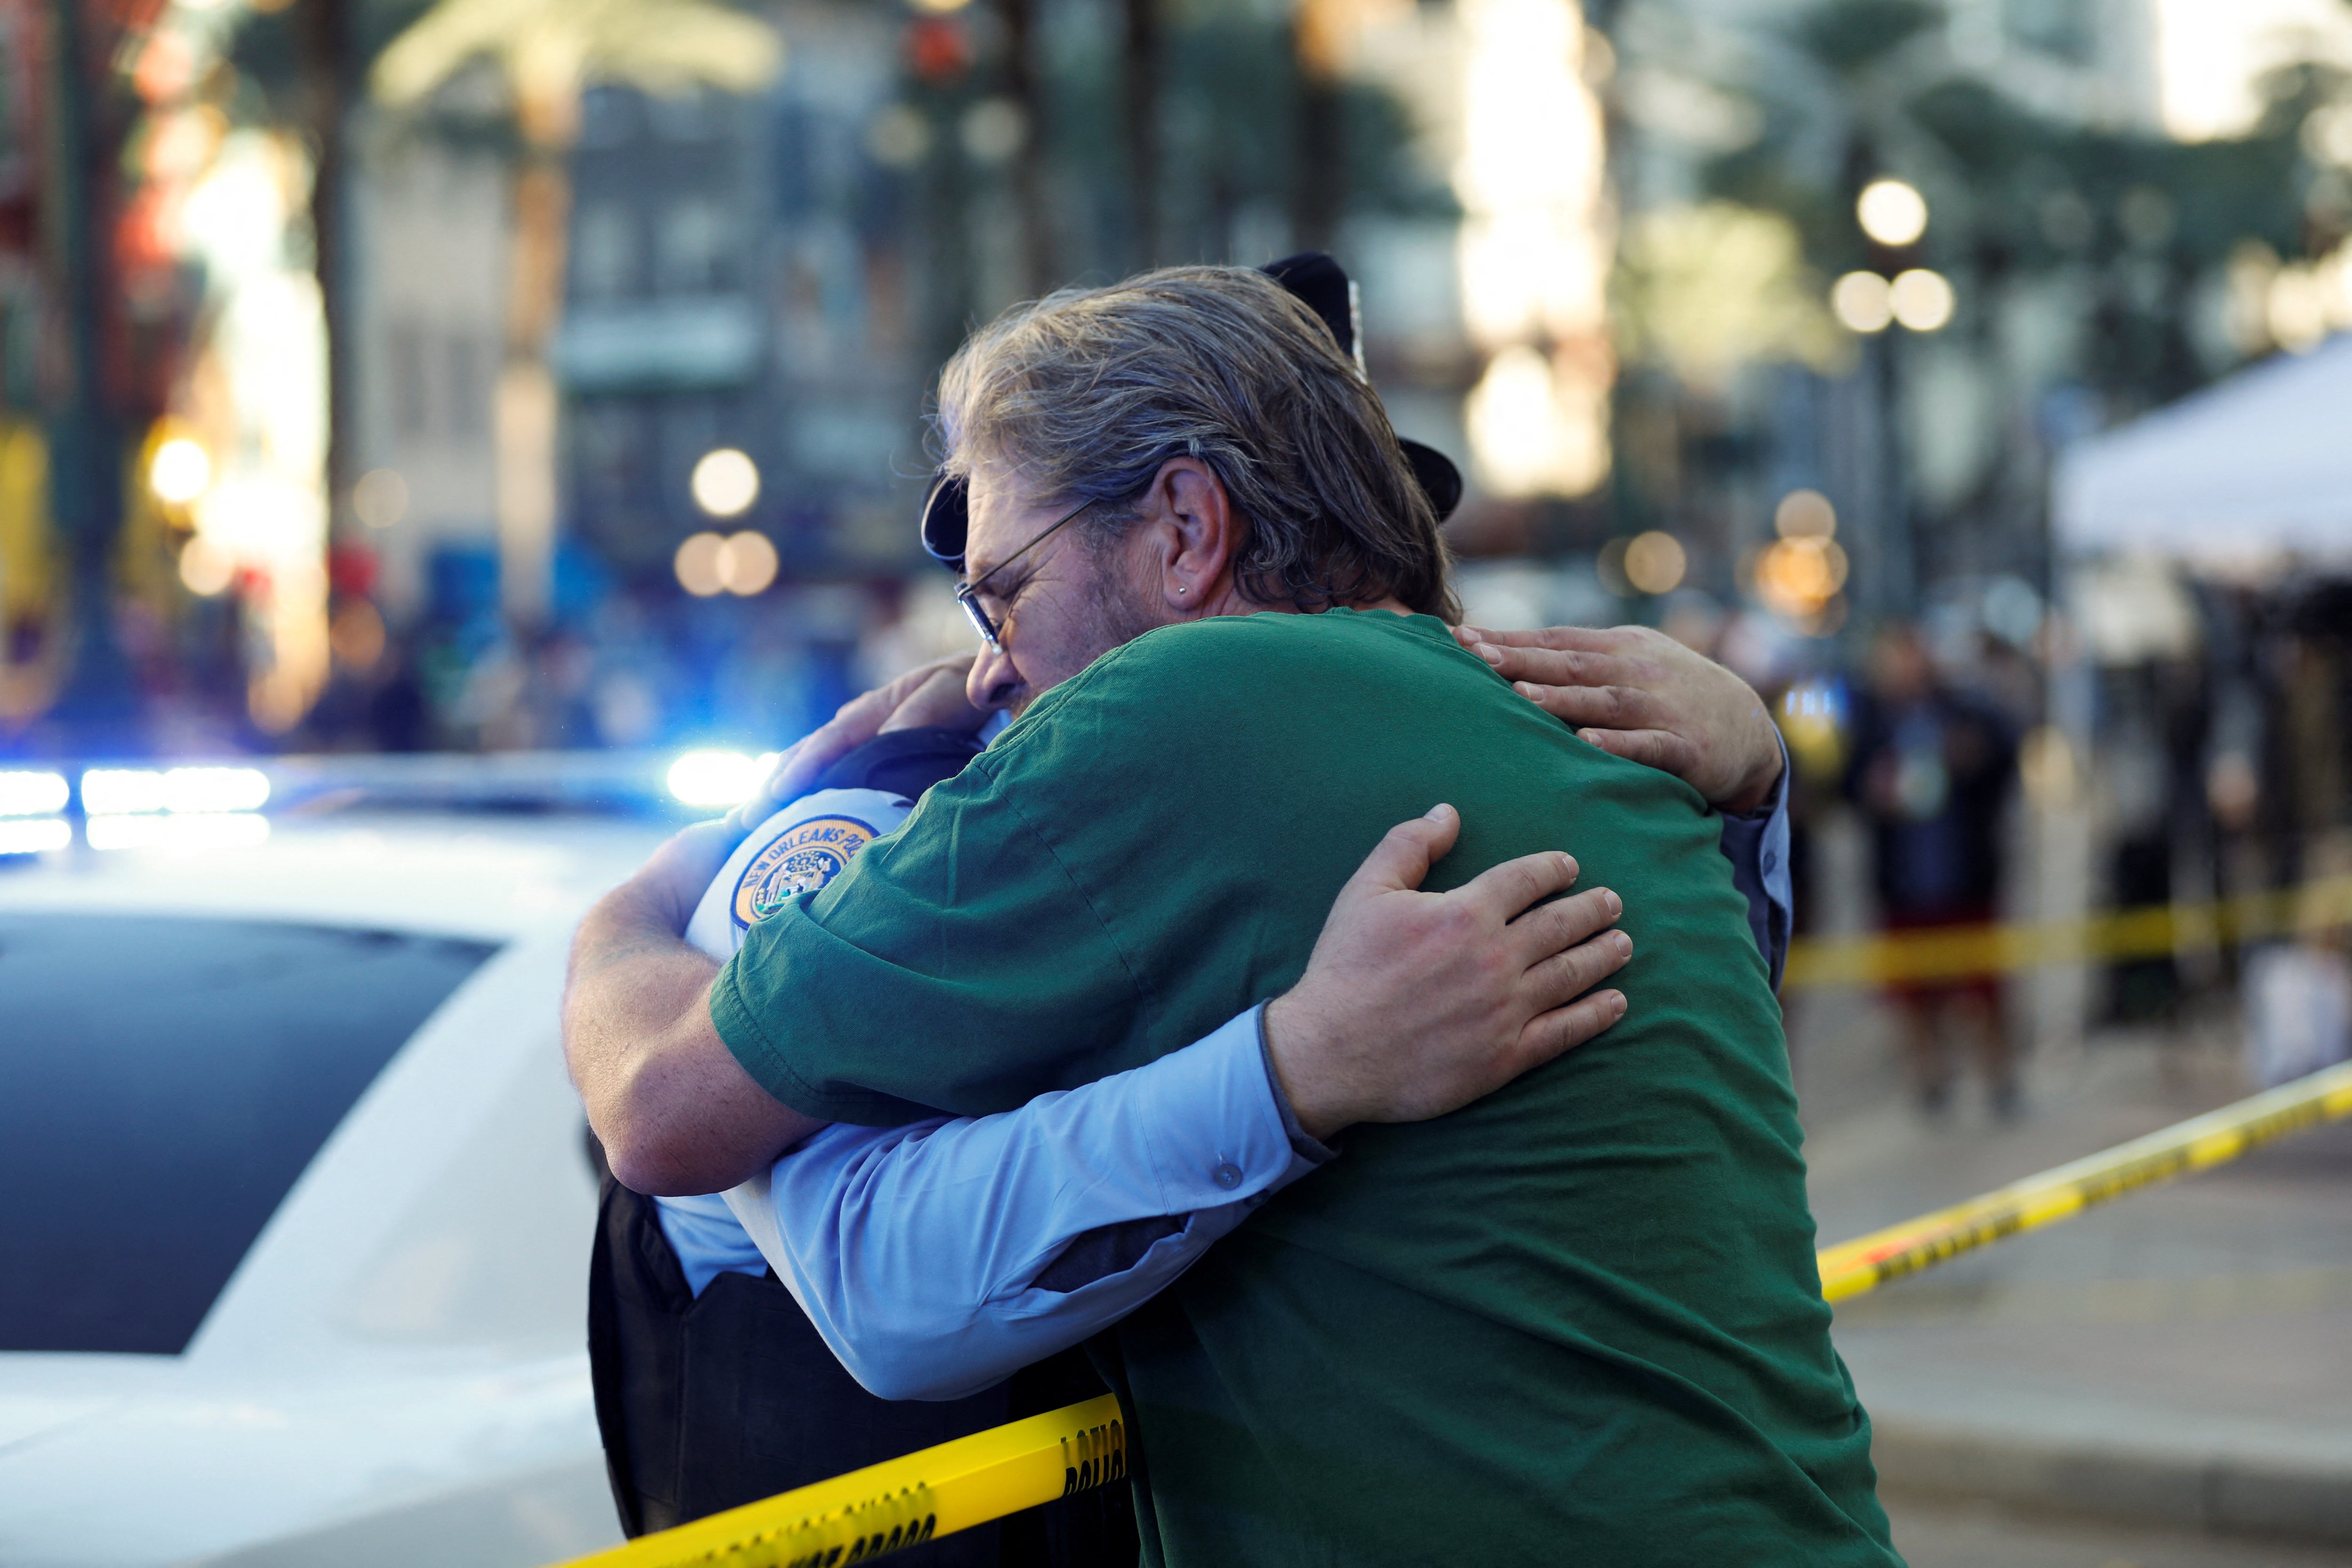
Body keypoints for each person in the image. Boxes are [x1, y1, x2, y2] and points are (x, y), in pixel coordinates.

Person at [569, 265, 1895, 1565]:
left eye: (1005, 587)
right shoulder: (1610, 735)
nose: (991, 662)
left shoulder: (1173, 709)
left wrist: (646, 899)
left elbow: (664, 1111)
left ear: (1186, 530)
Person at [1844, 624, 2019, 1117]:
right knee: (1912, 995)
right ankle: (1928, 1077)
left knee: (1983, 989)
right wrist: (1872, 789)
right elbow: (1848, 782)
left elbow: (2004, 757)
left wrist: (1973, 757)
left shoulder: (1965, 712)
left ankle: (1997, 1074)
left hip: (1964, 874)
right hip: (1903, 881)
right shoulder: (1873, 721)